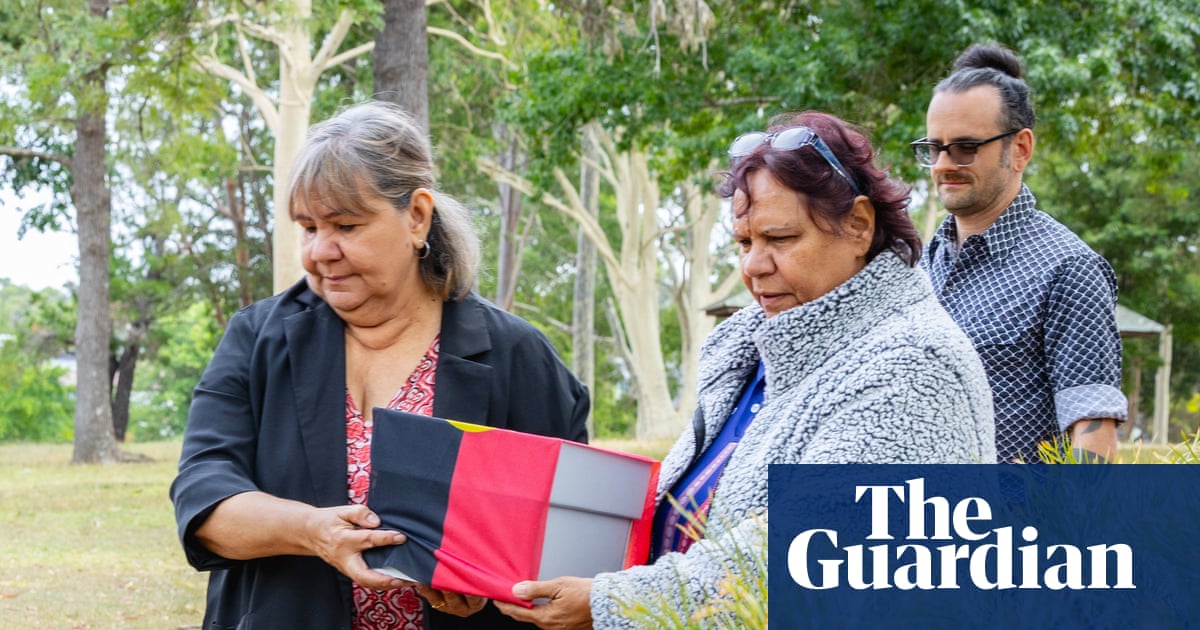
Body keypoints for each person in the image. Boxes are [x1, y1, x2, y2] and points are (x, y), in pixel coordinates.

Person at [496, 111, 995, 629]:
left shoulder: (916, 367)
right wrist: (507, 575)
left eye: (780, 238)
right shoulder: (752, 351)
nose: (754, 265)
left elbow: (807, 555)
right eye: (744, 242)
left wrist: (611, 604)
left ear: (859, 225)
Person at [170, 101, 589, 630]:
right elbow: (204, 497)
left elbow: (567, 537)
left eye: (346, 225)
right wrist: (313, 531)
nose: (321, 251)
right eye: (308, 227)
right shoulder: (257, 339)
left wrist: (486, 586)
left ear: (416, 217)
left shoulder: (516, 355)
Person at [911, 43, 1126, 463]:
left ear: (1021, 149)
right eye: (934, 148)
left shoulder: (1068, 270)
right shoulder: (919, 264)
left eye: (966, 147)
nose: (943, 165)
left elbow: (1094, 435)